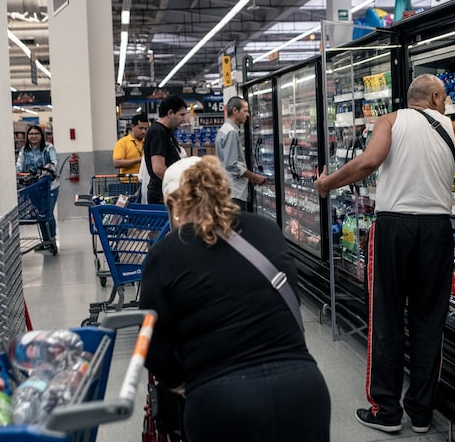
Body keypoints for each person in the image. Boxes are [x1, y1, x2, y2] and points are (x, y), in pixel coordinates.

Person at [313, 74, 455, 434]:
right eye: (444, 97)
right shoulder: (453, 128)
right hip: (437, 231)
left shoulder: (390, 120)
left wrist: (326, 184)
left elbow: (369, 161)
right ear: (437, 96)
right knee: (429, 321)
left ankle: (387, 411)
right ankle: (422, 414)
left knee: (387, 318)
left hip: (394, 227)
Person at [139, 156, 331, 442]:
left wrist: (181, 384)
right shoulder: (267, 230)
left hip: (221, 400)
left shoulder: (165, 252)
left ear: (173, 207)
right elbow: (291, 298)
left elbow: (151, 343)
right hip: (303, 388)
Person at [216, 96, 266, 210]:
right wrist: (254, 177)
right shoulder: (231, 132)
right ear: (235, 110)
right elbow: (231, 165)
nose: (247, 115)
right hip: (234, 192)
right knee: (237, 225)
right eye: (245, 111)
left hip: (227, 188)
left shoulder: (224, 129)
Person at [16, 125, 59, 242]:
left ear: (41, 135)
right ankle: (45, 240)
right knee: (40, 214)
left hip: (50, 186)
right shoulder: (24, 150)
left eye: (36, 133)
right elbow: (19, 164)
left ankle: (52, 239)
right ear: (27, 136)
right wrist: (18, 171)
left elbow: (54, 161)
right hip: (33, 187)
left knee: (48, 213)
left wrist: (48, 169)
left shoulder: (48, 147)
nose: (33, 136)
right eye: (31, 134)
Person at [143, 95, 188, 204]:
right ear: (170, 113)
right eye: (181, 115)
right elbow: (158, 168)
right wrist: (180, 184)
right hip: (162, 194)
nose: (183, 119)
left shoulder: (166, 131)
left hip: (166, 191)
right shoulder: (158, 132)